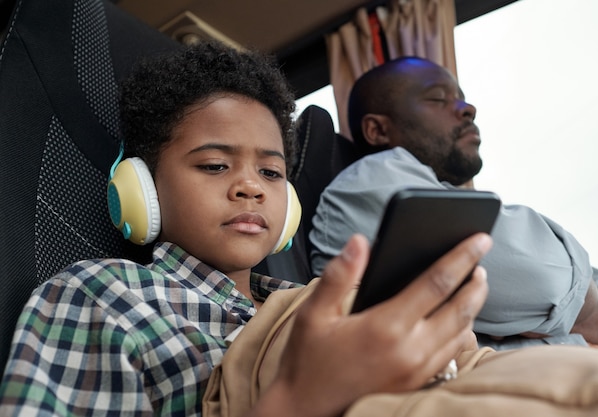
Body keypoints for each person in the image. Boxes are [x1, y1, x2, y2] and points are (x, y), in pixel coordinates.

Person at [0, 42, 490, 416]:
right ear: (141, 189)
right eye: (215, 165)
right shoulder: (104, 295)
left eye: (272, 173)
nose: (250, 188)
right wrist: (300, 399)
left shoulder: (314, 296)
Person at [309, 56, 598, 351]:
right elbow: (550, 283)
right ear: (377, 130)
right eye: (437, 98)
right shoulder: (374, 181)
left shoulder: (447, 198)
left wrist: (565, 307)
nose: (468, 108)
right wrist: (576, 301)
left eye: (461, 97)